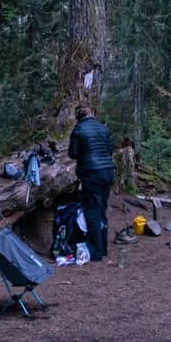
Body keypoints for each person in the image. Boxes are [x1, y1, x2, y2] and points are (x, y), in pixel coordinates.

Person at [69, 106, 114, 261]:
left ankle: (95, 251)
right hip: (108, 171)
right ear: (91, 114)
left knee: (92, 211)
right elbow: (110, 149)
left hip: (92, 174)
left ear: (78, 117)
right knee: (102, 209)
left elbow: (73, 153)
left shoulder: (78, 129)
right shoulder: (103, 128)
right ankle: (104, 247)